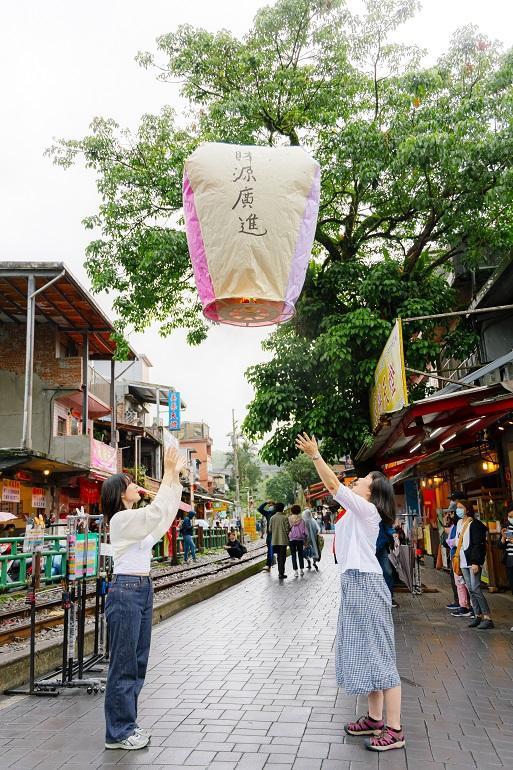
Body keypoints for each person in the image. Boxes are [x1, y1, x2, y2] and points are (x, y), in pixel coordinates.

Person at [296, 433, 404, 752]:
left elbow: (333, 487)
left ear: (371, 492)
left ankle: (394, 729)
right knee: (363, 651)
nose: (356, 481)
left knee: (381, 656)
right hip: (355, 582)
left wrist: (316, 455)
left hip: (367, 584)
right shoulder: (357, 513)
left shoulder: (368, 512)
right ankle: (374, 718)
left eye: (362, 480)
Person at [101, 447, 185, 750]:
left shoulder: (133, 523)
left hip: (141, 590)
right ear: (120, 493)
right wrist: (166, 474)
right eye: (130, 483)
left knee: (137, 662)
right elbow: (154, 513)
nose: (137, 485)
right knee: (124, 664)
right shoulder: (121, 519)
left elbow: (161, 520)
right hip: (125, 592)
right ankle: (118, 732)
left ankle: (127, 724)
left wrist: (174, 478)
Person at [455, 500, 494, 629]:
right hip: (462, 561)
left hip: (472, 562)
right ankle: (478, 615)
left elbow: (478, 544)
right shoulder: (459, 523)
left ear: (467, 509)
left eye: (461, 507)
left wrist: (476, 562)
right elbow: (457, 542)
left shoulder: (475, 524)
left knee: (476, 588)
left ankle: (487, 617)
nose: (458, 510)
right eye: (457, 508)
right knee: (470, 589)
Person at [375, 520, 397, 608]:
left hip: (381, 546)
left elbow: (387, 526)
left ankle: (389, 598)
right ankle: (375, 598)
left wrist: (393, 533)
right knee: (371, 574)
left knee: (387, 571)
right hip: (368, 548)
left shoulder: (379, 513)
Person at [499, 501, 513, 631]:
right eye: (510, 516)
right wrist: (503, 538)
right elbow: (500, 546)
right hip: (510, 562)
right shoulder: (506, 527)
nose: (511, 519)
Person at [269, 503, 290, 579]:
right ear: (282, 509)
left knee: (278, 556)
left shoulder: (272, 518)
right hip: (283, 541)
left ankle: (280, 572)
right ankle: (281, 573)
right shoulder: (285, 518)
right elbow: (287, 530)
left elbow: (270, 530)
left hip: (275, 541)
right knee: (282, 557)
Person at [288, 504, 308, 577]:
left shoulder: (289, 519)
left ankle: (296, 572)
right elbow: (305, 531)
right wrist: (305, 540)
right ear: (299, 511)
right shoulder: (302, 520)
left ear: (292, 511)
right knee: (300, 554)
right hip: (300, 539)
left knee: (293, 555)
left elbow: (287, 529)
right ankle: (302, 570)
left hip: (292, 539)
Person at [258, 499, 277, 572]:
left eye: (271, 505)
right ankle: (269, 564)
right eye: (269, 505)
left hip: (276, 533)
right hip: (269, 534)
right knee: (270, 549)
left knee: (274, 549)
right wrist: (266, 502)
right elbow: (259, 509)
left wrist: (274, 504)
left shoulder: (276, 512)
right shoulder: (268, 513)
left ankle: (270, 564)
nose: (270, 507)